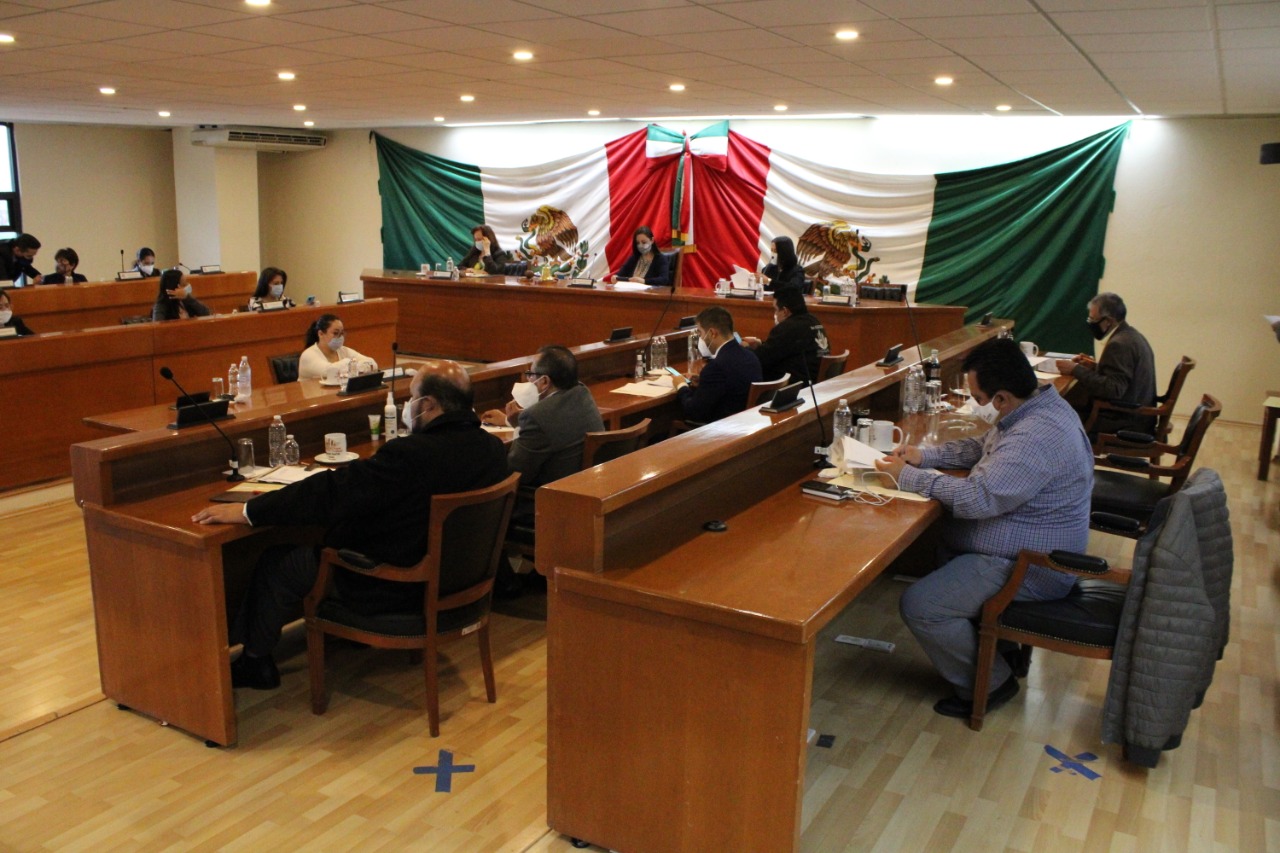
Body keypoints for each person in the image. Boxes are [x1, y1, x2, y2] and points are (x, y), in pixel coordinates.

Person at [192, 360, 508, 689]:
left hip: (396, 587)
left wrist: (249, 510)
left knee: (278, 563)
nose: (407, 406)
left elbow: (332, 492)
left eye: (411, 398)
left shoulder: (411, 454)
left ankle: (255, 661)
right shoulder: (491, 448)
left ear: (427, 404)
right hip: (457, 582)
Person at [874, 337, 1093, 720]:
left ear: (1002, 398)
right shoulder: (1036, 408)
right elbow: (983, 447)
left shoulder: (1036, 436)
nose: (975, 404)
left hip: (1032, 566)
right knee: (943, 546)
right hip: (1022, 547)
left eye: (977, 398)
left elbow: (978, 498)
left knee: (922, 605)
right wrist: (924, 456)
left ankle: (992, 683)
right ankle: (1000, 650)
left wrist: (907, 477)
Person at [481, 345, 605, 525]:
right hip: (584, 492)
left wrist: (521, 425)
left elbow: (514, 473)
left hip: (548, 504)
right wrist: (514, 422)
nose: (528, 380)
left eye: (530, 374)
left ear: (544, 381)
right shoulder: (582, 392)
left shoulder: (536, 417)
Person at [1054, 292, 1156, 437]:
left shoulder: (1119, 344)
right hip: (1138, 416)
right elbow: (1121, 376)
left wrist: (1075, 369)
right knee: (1068, 405)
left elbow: (1113, 389)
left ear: (1108, 321)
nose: (1090, 323)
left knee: (1055, 418)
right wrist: (1094, 367)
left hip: (1123, 420)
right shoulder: (1131, 336)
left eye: (1093, 319)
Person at [672, 306, 762, 423]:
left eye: (700, 333)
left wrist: (681, 386)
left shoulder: (716, 367)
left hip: (721, 429)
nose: (700, 338)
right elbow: (729, 383)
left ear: (712, 333)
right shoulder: (751, 356)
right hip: (746, 424)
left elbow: (694, 412)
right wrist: (704, 381)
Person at [742, 288, 830, 383]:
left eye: (776, 310)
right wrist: (759, 344)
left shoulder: (788, 327)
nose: (775, 314)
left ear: (785, 311)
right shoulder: (814, 320)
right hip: (814, 380)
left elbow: (760, 359)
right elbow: (779, 349)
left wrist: (745, 348)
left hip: (795, 384)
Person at [298, 313, 375, 380]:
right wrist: (351, 364)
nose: (340, 337)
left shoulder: (343, 350)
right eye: (335, 333)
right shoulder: (308, 355)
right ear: (321, 334)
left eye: (341, 333)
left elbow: (372, 364)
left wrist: (351, 366)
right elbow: (329, 371)